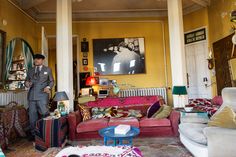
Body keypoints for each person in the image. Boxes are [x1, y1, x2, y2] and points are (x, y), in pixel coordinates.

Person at [25, 54, 54, 141]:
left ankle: (45, 132)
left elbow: (51, 81)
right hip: (32, 96)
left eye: (38, 59)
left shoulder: (47, 69)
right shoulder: (30, 70)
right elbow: (26, 80)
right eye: (35, 59)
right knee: (32, 115)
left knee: (44, 113)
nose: (36, 60)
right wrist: (27, 83)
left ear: (42, 60)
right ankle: (34, 134)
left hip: (42, 95)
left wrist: (48, 87)